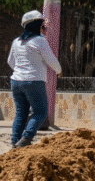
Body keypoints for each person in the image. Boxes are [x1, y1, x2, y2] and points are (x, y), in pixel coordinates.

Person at [6, 10, 62, 148]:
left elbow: (10, 61)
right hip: (34, 81)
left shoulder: (16, 41)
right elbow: (51, 60)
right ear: (36, 25)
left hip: (16, 81)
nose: (45, 28)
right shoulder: (40, 41)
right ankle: (26, 138)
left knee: (21, 113)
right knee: (41, 112)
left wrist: (20, 71)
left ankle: (14, 142)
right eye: (43, 25)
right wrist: (59, 71)